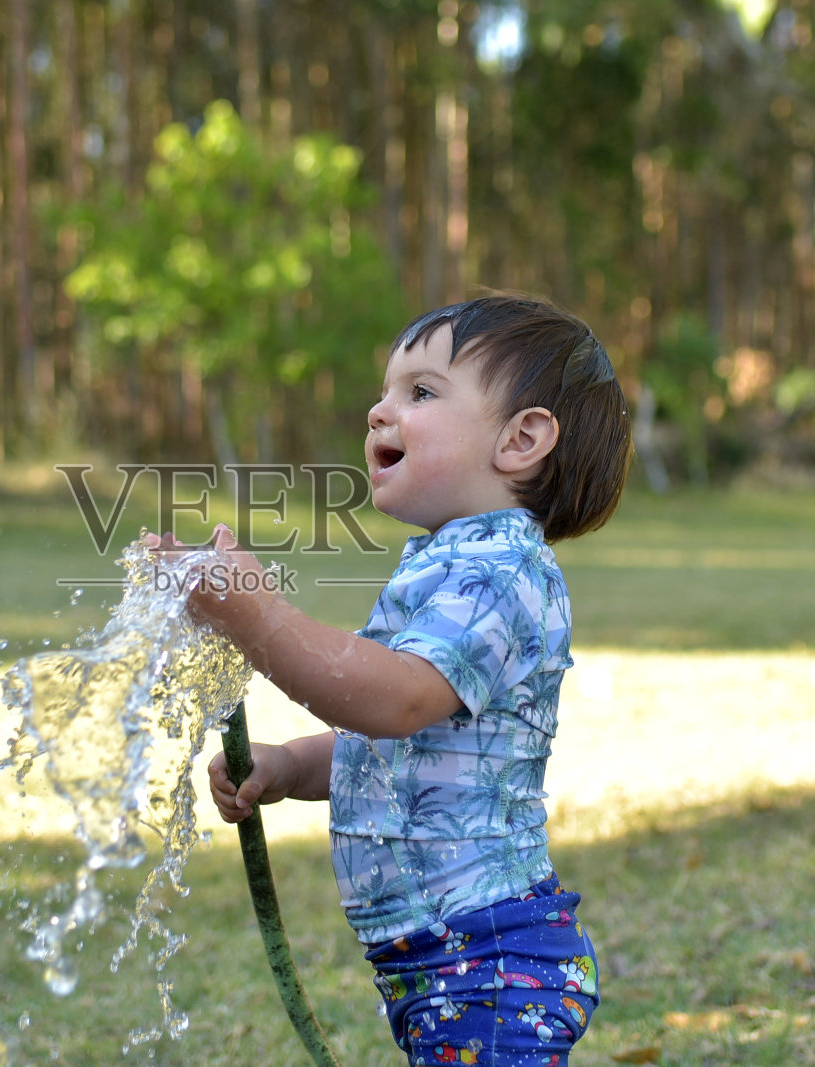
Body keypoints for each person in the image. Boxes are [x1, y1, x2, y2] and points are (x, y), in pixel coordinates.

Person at [178, 293, 631, 1066]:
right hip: (441, 957)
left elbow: (394, 698)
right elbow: (398, 739)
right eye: (386, 391)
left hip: (489, 958)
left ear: (521, 439)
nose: (379, 412)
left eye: (420, 392)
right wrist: (289, 765)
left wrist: (253, 617)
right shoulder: (449, 563)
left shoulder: (501, 572)